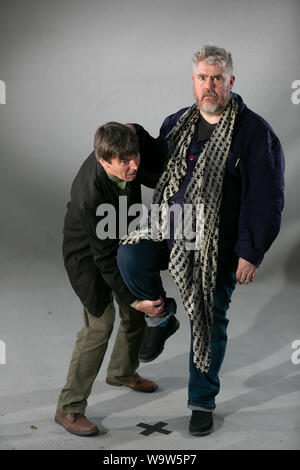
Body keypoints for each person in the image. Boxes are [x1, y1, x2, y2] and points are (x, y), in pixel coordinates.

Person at [116, 45, 285, 436]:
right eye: (202, 78)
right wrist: (133, 136)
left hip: (218, 245)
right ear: (193, 81)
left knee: (208, 321)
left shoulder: (255, 133)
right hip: (173, 226)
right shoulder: (178, 122)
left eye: (217, 78)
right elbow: (158, 169)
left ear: (231, 81)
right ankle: (160, 318)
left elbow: (266, 198)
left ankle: (201, 402)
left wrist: (250, 251)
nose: (210, 85)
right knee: (130, 255)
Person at [55, 122, 170, 437]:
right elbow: (103, 259)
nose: (133, 166)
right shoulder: (91, 194)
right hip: (87, 257)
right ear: (104, 161)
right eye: (124, 161)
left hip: (118, 241)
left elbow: (135, 135)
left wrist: (135, 131)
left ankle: (122, 372)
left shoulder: (123, 151)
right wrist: (135, 298)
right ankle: (69, 407)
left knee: (134, 315)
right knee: (99, 327)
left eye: (135, 156)